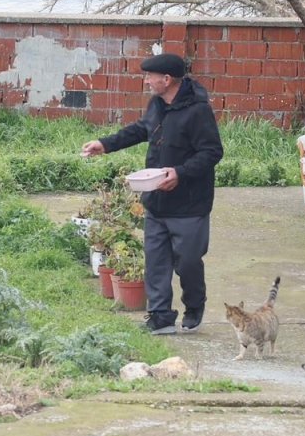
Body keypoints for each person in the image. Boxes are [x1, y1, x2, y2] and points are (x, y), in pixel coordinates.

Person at [81, 52, 224, 335]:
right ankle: (161, 316)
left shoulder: (198, 110)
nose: (146, 81)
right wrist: (105, 144)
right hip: (156, 199)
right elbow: (141, 130)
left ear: (166, 79)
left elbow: (212, 152)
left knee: (188, 261)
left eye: (149, 76)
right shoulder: (157, 104)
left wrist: (180, 173)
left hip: (190, 204)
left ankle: (194, 304)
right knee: (156, 261)